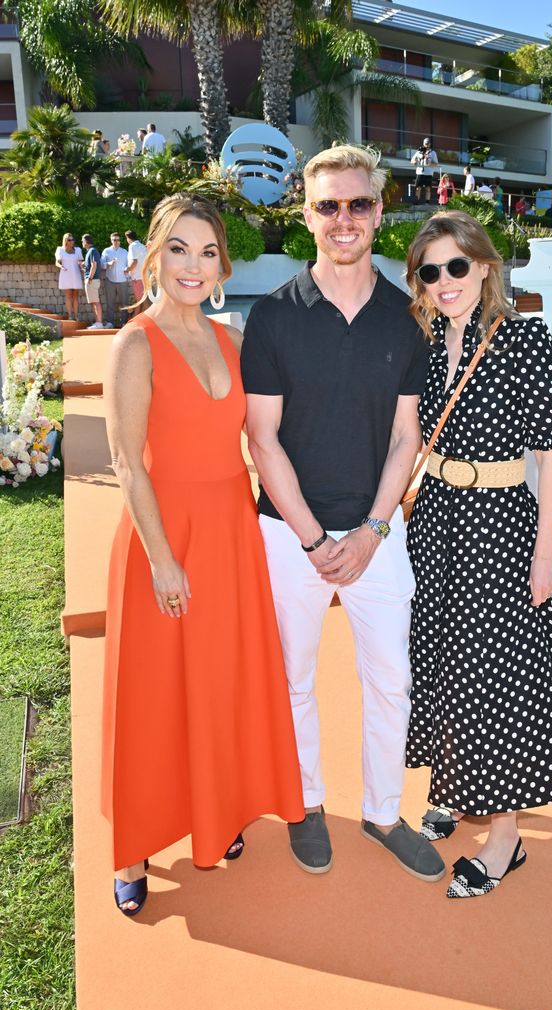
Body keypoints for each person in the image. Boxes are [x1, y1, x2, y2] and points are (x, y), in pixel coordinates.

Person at [241, 144, 445, 883]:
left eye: (358, 203)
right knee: (291, 678)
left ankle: (384, 813)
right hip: (286, 532)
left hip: (376, 533)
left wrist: (369, 531)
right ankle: (306, 803)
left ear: (380, 212)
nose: (344, 218)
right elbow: (261, 438)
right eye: (329, 205)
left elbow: (405, 436)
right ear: (306, 215)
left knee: (389, 678)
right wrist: (311, 539)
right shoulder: (271, 316)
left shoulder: (406, 316)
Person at [102, 194, 304, 915]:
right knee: (154, 695)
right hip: (165, 537)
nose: (193, 265)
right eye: (178, 249)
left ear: (222, 265)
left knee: (217, 682)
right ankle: (131, 849)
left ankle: (215, 815)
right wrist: (162, 559)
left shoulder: (230, 340)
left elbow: (263, 439)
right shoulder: (133, 343)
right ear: (154, 254)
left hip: (228, 534)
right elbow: (127, 461)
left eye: (207, 252)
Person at [404, 211, 552, 899]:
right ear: (419, 282)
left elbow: (551, 461)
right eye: (431, 270)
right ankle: (453, 789)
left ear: (484, 267)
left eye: (458, 266)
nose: (446, 281)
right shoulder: (422, 342)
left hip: (500, 526)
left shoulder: (523, 341)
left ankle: (505, 837)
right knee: (445, 659)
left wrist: (545, 556)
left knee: (497, 676)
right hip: (437, 523)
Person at [100, 232, 130, 329]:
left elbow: (128, 265)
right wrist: (109, 264)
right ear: (111, 240)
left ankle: (124, 322)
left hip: (123, 280)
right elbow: (101, 264)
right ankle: (110, 323)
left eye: (117, 240)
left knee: (124, 303)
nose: (116, 242)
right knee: (110, 303)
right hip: (110, 280)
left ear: (120, 241)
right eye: (114, 240)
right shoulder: (106, 251)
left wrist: (128, 277)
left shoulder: (124, 252)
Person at [81, 234, 108, 329]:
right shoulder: (90, 251)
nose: (82, 243)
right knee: (93, 302)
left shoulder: (92, 250)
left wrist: (90, 278)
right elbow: (91, 266)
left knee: (95, 302)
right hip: (91, 279)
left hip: (92, 280)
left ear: (86, 241)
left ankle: (99, 323)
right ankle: (97, 322)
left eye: (82, 241)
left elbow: (94, 265)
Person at [55, 232, 83, 321]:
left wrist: (82, 265)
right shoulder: (60, 249)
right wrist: (61, 266)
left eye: (73, 239)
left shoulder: (78, 250)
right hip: (66, 273)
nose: (72, 241)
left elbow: (80, 262)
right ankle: (70, 315)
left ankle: (76, 315)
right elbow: (57, 262)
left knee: (75, 296)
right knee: (68, 296)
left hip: (76, 274)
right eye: (70, 240)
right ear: (66, 241)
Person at [123, 229, 148, 314]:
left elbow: (134, 262)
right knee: (143, 299)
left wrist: (127, 269)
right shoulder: (142, 246)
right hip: (144, 276)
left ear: (128, 238)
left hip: (137, 278)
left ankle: (137, 319)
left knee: (140, 300)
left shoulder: (132, 246)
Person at [411, 137, 438, 203]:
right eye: (425, 144)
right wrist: (414, 162)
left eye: (428, 143)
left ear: (430, 144)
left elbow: (436, 164)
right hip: (420, 172)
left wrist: (429, 161)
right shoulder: (418, 151)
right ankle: (416, 202)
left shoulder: (433, 153)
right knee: (418, 188)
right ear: (423, 144)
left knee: (428, 189)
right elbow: (412, 160)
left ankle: (427, 202)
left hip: (429, 173)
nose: (426, 145)